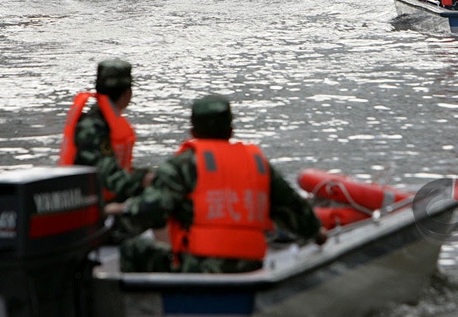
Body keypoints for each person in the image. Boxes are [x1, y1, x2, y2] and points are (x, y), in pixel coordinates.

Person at [107, 95, 328, 273]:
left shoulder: (182, 166)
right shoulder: (257, 163)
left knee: (132, 248)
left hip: (198, 267)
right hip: (249, 265)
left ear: (193, 132)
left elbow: (149, 212)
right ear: (230, 130)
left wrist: (114, 215)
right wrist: (316, 233)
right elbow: (293, 208)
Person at [59, 59, 151, 201]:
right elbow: (108, 177)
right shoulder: (93, 127)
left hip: (98, 198)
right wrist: (144, 180)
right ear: (128, 93)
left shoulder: (102, 120)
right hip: (92, 204)